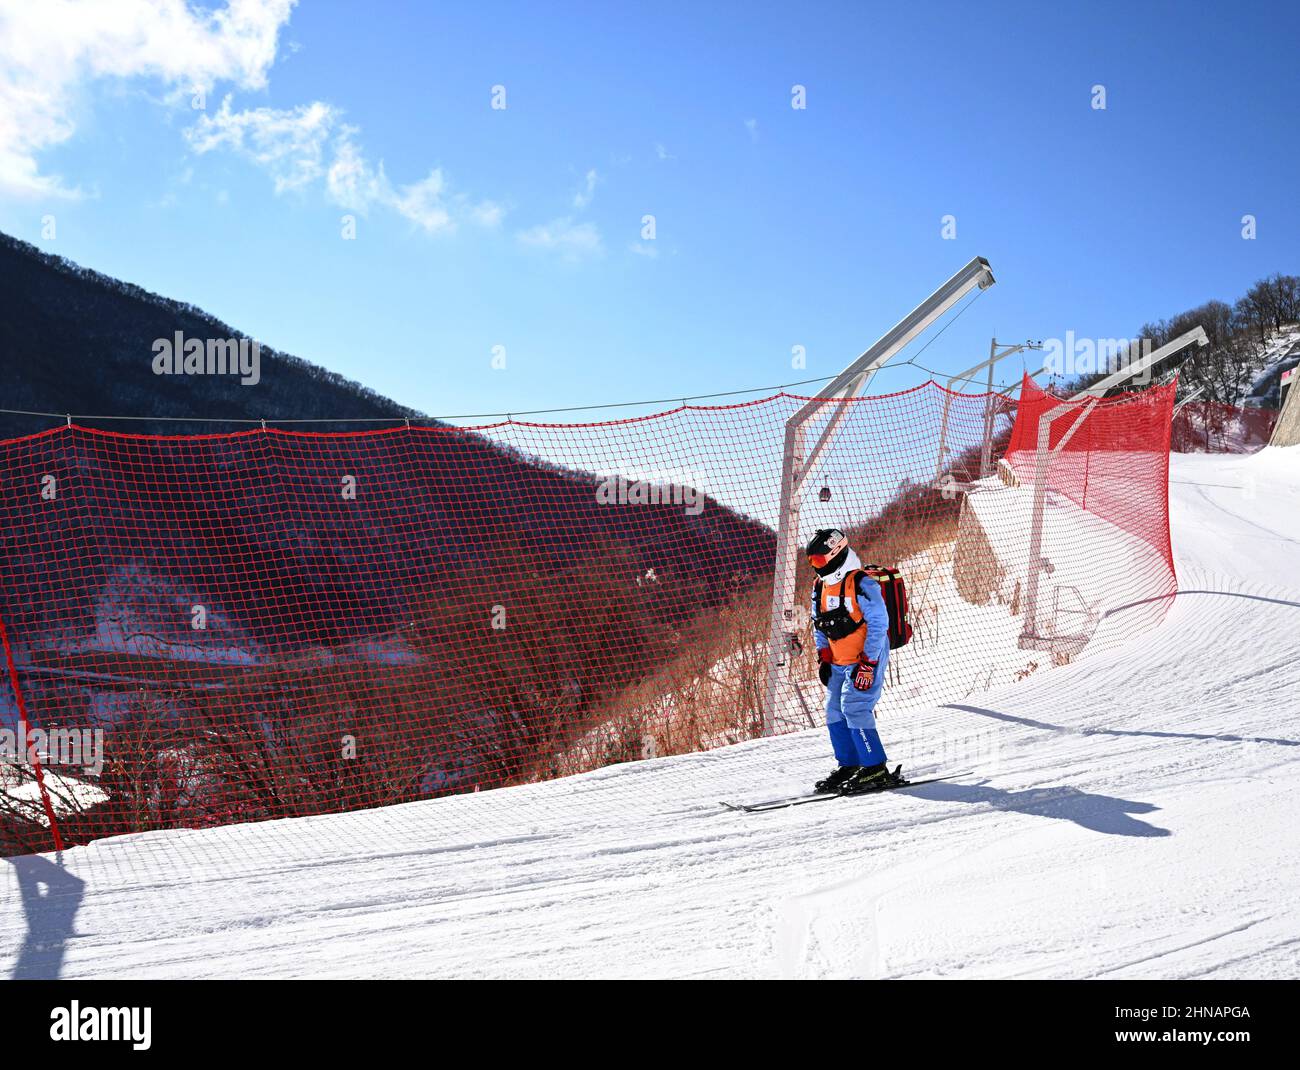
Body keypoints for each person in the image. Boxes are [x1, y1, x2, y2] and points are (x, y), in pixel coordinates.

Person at [805, 528, 902, 795]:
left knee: (855, 708)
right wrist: (823, 656)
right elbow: (819, 624)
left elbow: (880, 624)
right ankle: (850, 764)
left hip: (864, 660)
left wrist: (869, 664)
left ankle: (875, 767)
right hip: (838, 660)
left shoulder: (862, 583)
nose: (816, 566)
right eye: (812, 561)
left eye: (819, 561)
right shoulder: (820, 586)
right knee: (834, 711)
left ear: (835, 554)